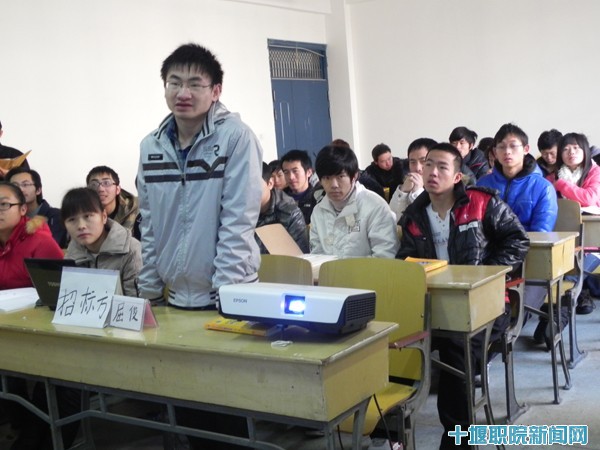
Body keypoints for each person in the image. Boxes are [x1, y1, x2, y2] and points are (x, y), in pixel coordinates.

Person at [137, 43, 262, 449]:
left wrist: (226, 297)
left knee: (228, 410)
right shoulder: (151, 146)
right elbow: (150, 225)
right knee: (188, 407)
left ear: (216, 90)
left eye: (195, 83)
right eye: (174, 83)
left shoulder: (236, 139)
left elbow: (237, 222)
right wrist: (149, 291)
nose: (183, 92)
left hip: (224, 298)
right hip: (176, 300)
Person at [396, 143, 529, 450]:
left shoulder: (482, 202)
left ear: (457, 176)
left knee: (456, 352)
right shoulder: (414, 216)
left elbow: (518, 240)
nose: (432, 172)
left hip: (486, 306)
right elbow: (404, 260)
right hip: (434, 307)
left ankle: (458, 440)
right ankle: (391, 429)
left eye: (442, 166)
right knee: (395, 344)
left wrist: (485, 275)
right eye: (428, 165)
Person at [0, 182, 67, 450]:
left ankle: (30, 430)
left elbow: (57, 294)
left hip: (40, 332)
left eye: (4, 205)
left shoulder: (40, 242)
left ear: (22, 209)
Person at [310, 144, 399, 258]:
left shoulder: (376, 207)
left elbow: (385, 257)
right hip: (328, 270)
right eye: (327, 178)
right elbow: (316, 255)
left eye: (340, 177)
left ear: (354, 176)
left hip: (368, 270)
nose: (334, 185)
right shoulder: (318, 211)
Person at [62, 188, 142, 297]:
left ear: (104, 216)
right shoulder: (72, 252)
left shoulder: (131, 249)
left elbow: (136, 301)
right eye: (72, 220)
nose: (81, 226)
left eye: (87, 216)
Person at [478, 123, 558, 232]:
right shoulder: (482, 185)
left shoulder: (543, 188)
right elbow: (475, 228)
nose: (507, 151)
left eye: (513, 146)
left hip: (529, 242)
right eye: (501, 147)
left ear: (526, 149)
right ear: (495, 152)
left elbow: (541, 233)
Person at [6, 167, 68, 247]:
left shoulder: (56, 215)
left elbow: (52, 246)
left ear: (38, 190)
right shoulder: (7, 218)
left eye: (25, 184)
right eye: (15, 186)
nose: (20, 189)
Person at [257, 162, 309, 253]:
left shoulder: (289, 213)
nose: (248, 192)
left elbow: (301, 256)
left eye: (254, 185)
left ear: (270, 183)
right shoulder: (238, 212)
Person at [389, 137, 437, 220]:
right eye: (413, 162)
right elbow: (393, 219)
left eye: (423, 161)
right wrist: (403, 192)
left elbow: (432, 221)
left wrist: (417, 193)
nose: (418, 168)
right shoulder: (409, 184)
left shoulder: (445, 189)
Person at [86, 166, 139, 231]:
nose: (100, 189)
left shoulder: (137, 207)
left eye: (106, 183)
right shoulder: (79, 212)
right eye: (94, 184)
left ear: (118, 189)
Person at [281, 149, 322, 224]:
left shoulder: (318, 198)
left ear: (309, 172)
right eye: (286, 172)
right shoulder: (279, 200)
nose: (291, 177)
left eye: (295, 171)